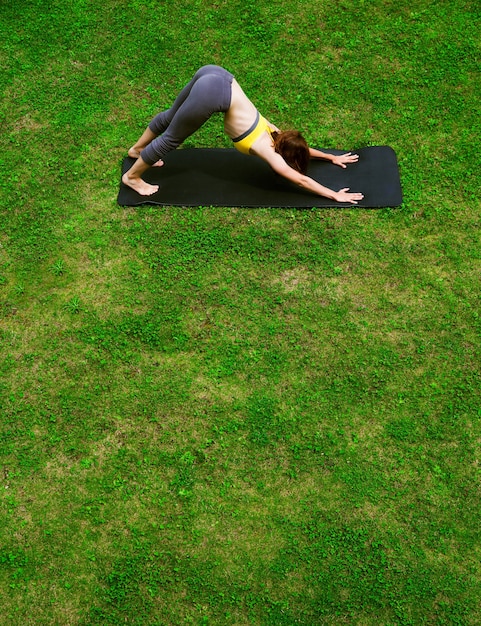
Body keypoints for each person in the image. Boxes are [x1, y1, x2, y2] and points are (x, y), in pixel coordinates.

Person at [122, 65, 364, 204]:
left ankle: (138, 149)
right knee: (171, 139)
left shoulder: (275, 132)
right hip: (213, 93)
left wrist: (331, 157)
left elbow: (301, 150)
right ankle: (132, 178)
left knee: (170, 116)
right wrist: (334, 195)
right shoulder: (268, 151)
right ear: (284, 155)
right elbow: (300, 180)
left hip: (215, 73)